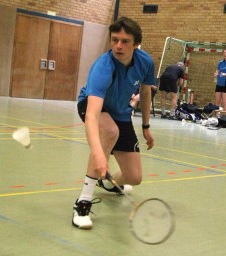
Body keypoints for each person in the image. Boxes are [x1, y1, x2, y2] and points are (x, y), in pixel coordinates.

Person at [73, 17, 156, 229]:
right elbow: (92, 115)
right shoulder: (103, 67)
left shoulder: (145, 62)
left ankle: (108, 183)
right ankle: (83, 202)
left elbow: (145, 92)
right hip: (94, 106)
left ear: (136, 44)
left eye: (125, 41)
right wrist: (100, 154)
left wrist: (146, 126)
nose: (119, 46)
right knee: (109, 131)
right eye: (115, 39)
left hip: (122, 113)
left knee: (134, 177)